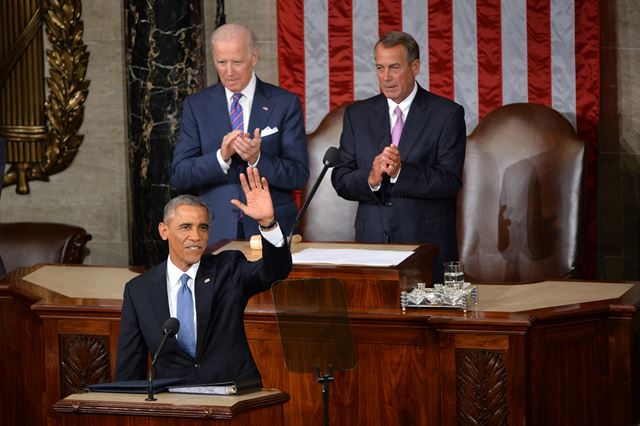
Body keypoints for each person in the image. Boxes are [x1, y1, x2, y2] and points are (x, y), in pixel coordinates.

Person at [115, 167, 291, 385]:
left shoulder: (229, 269)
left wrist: (267, 223)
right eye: (185, 227)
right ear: (164, 231)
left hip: (233, 396)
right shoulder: (138, 290)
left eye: (203, 227)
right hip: (174, 403)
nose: (196, 236)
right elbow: (128, 370)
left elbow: (275, 271)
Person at [330, 31, 466, 282]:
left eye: (394, 67)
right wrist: (370, 179)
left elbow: (450, 180)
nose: (386, 77)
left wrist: (402, 173)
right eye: (380, 68)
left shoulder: (446, 114)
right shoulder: (357, 115)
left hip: (425, 247)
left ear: (415, 67)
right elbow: (341, 178)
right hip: (371, 247)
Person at [170, 23, 309, 245]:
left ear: (253, 57)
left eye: (236, 62)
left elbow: (298, 175)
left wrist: (257, 159)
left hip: (273, 227)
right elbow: (179, 174)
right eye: (221, 62)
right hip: (216, 229)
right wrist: (221, 158)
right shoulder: (197, 106)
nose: (228, 71)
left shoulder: (284, 103)